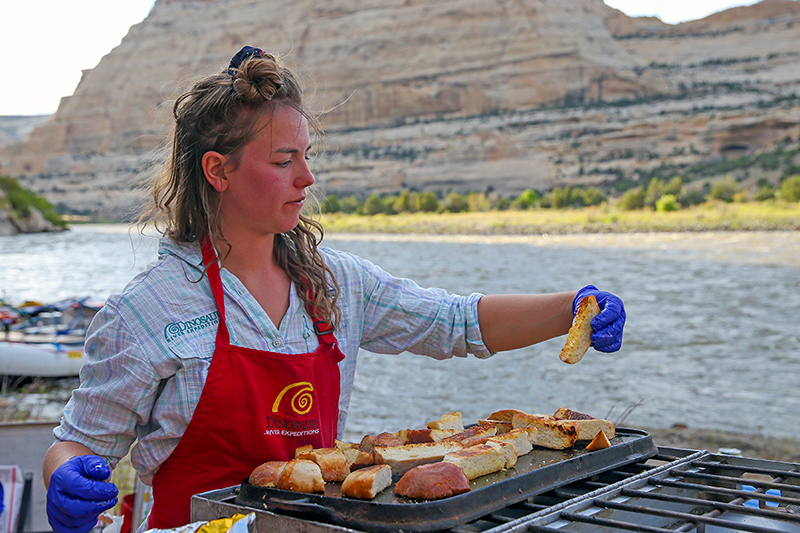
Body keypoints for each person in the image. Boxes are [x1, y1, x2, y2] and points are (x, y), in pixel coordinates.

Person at [42, 46, 626, 533]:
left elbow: (455, 323)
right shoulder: (147, 310)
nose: (307, 177)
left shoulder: (336, 283)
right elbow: (78, 444)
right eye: (284, 160)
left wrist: (567, 308)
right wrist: (66, 477)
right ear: (218, 171)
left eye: (307, 157)